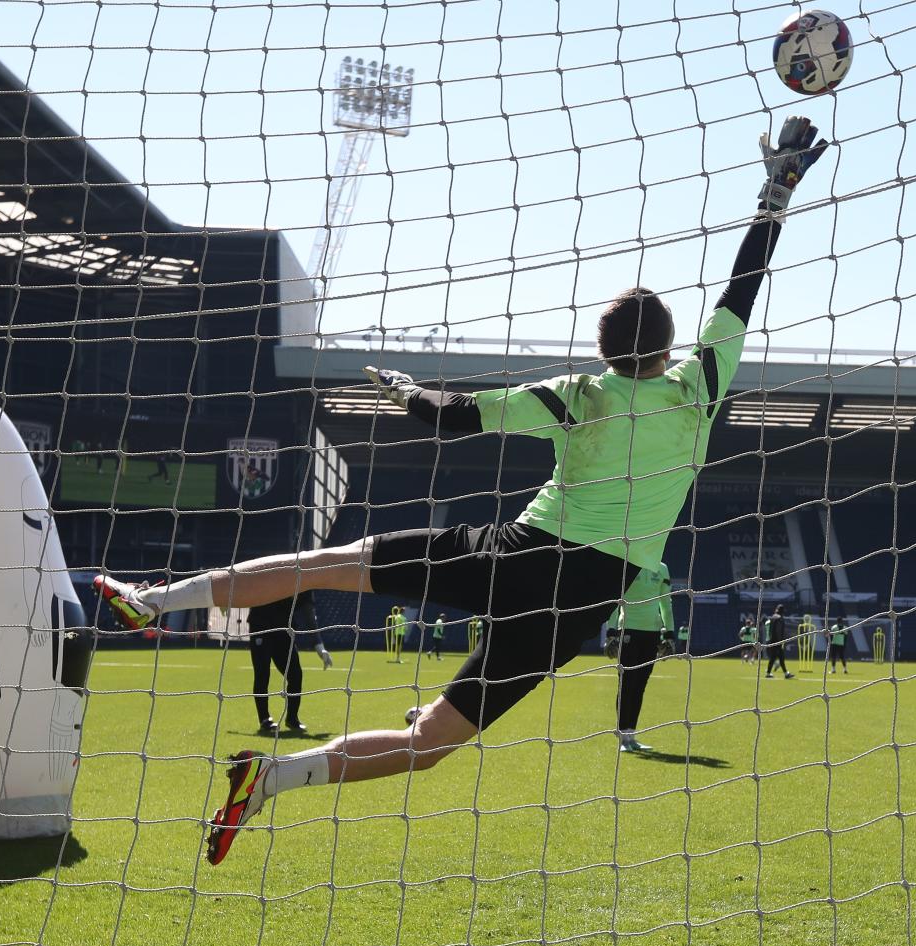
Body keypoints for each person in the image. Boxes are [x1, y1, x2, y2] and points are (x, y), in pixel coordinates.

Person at [92, 116, 828, 865]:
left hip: (517, 555)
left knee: (330, 564)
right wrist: (778, 190)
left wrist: (407, 391)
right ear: (671, 346)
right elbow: (744, 286)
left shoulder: (577, 393)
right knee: (428, 745)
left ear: (601, 349)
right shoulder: (699, 386)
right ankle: (274, 780)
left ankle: (152, 601)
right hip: (578, 604)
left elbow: (448, 421)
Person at [605, 561, 675, 752]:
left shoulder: (662, 568)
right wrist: (611, 632)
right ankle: (622, 738)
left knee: (640, 687)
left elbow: (665, 602)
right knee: (627, 684)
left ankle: (631, 736)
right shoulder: (628, 563)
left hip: (651, 634)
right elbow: (615, 600)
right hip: (628, 630)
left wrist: (669, 634)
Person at [247, 592, 333, 736]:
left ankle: (292, 718)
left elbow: (308, 612)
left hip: (284, 630)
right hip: (261, 626)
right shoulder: (275, 571)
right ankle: (264, 719)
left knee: (295, 675)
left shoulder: (304, 581)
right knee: (262, 673)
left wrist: (319, 645)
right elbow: (250, 587)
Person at [763, 605, 794, 679]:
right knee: (780, 657)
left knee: (775, 657)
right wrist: (780, 640)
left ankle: (771, 673)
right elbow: (778, 630)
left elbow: (771, 630)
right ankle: (786, 673)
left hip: (771, 640)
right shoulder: (780, 618)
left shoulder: (772, 617)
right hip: (777, 641)